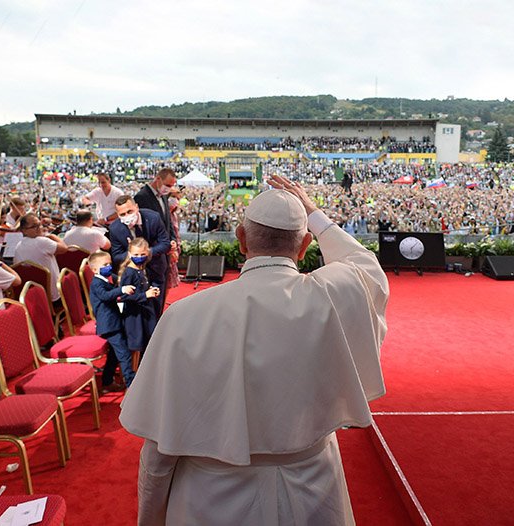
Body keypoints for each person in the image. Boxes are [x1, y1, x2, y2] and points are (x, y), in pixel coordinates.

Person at [119, 175, 389, 525]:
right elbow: (367, 268)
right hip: (313, 494)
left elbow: (158, 453)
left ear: (241, 240)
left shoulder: (183, 317)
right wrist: (314, 213)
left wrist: (150, 519)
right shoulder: (332, 297)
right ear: (305, 246)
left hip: (212, 502)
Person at [108, 196, 170, 315]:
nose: (127, 216)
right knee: (137, 312)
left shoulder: (153, 218)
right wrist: (134, 254)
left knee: (156, 309)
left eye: (130, 211)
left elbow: (165, 243)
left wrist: (147, 252)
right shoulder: (115, 228)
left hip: (155, 269)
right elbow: (116, 256)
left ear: (136, 207)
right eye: (123, 214)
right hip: (132, 276)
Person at [87, 251, 136, 391]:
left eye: (110, 264)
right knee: (124, 354)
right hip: (109, 325)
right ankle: (131, 386)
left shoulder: (106, 279)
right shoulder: (97, 283)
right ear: (94, 269)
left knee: (114, 355)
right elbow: (105, 295)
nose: (109, 267)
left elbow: (117, 281)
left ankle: (107, 381)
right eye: (105, 265)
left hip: (113, 322)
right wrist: (122, 290)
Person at [117, 238, 159, 371]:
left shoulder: (142, 268)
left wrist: (151, 291)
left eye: (142, 255)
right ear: (129, 254)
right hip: (135, 316)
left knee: (148, 342)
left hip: (145, 312)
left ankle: (145, 370)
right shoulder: (129, 273)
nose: (139, 257)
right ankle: (134, 375)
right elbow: (124, 296)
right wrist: (145, 295)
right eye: (135, 255)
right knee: (137, 346)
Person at [14, 213, 68, 307]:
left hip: (32, 296)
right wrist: (51, 236)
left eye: (39, 224)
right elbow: (64, 248)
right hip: (52, 296)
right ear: (24, 231)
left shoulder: (18, 246)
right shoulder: (42, 241)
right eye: (34, 226)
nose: (39, 228)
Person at [135, 167, 178, 242]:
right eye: (167, 185)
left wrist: (172, 240)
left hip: (165, 245)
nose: (169, 189)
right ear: (158, 179)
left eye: (171, 186)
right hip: (153, 246)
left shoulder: (163, 195)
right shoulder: (141, 197)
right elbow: (144, 227)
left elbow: (168, 220)